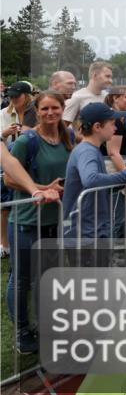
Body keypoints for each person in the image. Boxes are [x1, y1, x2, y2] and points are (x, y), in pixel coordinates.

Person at [5, 91, 70, 352]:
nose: (50, 113)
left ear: (63, 109)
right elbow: (9, 179)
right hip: (26, 222)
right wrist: (43, 188)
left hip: (54, 222)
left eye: (54, 108)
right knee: (21, 279)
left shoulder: (68, 137)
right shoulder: (27, 141)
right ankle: (22, 332)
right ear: (37, 110)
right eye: (44, 109)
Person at [62, 103, 126, 241]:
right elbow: (90, 180)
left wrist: (125, 175)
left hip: (90, 228)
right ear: (97, 127)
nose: (115, 128)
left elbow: (95, 185)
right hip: (85, 232)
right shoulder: (87, 151)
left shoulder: (90, 149)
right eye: (112, 123)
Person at [2, 81, 38, 259]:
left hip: (30, 165)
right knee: (5, 205)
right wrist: (5, 134)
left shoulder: (35, 111)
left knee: (26, 203)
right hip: (8, 164)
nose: (13, 98)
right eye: (11, 96)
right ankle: (5, 245)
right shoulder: (4, 113)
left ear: (27, 95)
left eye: (17, 95)